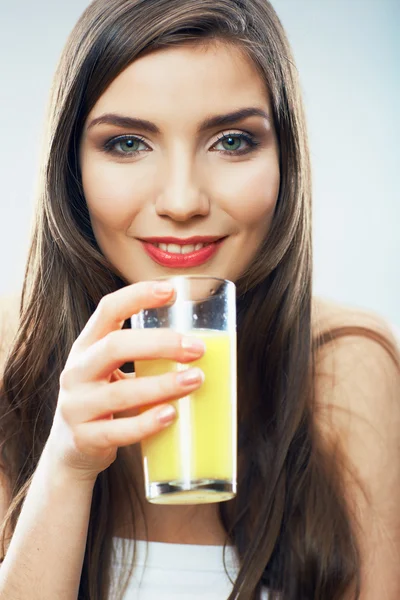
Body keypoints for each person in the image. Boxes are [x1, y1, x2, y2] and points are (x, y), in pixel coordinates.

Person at [0, 0, 399, 598]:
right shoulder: (10, 356)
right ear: (70, 167)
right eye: (129, 143)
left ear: (284, 159)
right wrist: (67, 467)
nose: (183, 200)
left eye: (232, 140)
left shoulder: (347, 365)